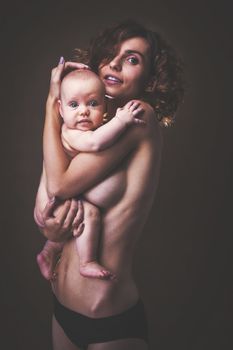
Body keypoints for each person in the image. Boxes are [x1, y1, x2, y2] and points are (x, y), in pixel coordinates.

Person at [34, 19, 184, 350]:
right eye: (111, 54)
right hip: (63, 311)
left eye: (132, 59)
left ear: (150, 78)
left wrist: (49, 105)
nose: (115, 64)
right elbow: (51, 214)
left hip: (108, 321)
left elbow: (58, 184)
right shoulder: (90, 125)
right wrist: (52, 234)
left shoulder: (135, 118)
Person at [36, 68, 145, 281]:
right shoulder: (71, 132)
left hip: (67, 198)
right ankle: (86, 262)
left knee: (82, 215)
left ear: (104, 106)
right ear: (60, 110)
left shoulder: (88, 128)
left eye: (93, 103)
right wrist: (121, 121)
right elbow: (95, 143)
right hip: (57, 201)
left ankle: (49, 251)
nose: (84, 111)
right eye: (74, 105)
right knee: (90, 215)